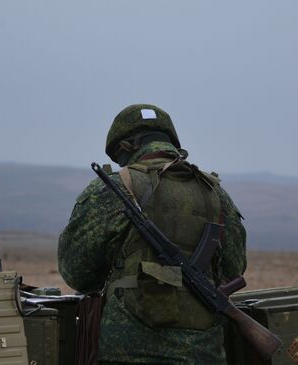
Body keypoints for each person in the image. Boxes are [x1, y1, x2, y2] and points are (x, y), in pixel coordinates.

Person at [58, 104, 247, 365]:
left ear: (124, 147)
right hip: (204, 353)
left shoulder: (113, 189)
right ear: (170, 141)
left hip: (127, 353)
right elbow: (234, 267)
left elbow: (77, 272)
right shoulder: (215, 193)